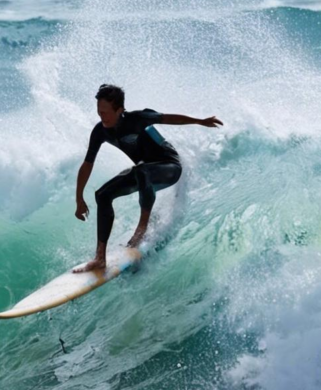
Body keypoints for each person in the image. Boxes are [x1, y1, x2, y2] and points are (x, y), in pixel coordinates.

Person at [73, 84, 223, 273]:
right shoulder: (100, 131)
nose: (102, 117)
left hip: (169, 167)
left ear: (119, 110)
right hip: (144, 172)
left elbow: (168, 118)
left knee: (141, 170)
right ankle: (99, 258)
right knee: (103, 195)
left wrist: (200, 121)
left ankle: (141, 230)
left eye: (106, 113)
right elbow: (87, 164)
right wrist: (79, 198)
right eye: (99, 112)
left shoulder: (136, 119)